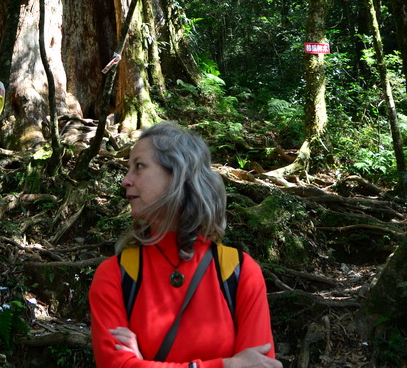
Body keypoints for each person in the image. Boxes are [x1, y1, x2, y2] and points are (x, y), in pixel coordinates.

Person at [89, 122, 282, 368]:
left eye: (139, 166)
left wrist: (142, 363)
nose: (126, 180)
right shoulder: (115, 275)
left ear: (177, 175)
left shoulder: (239, 271)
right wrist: (228, 364)